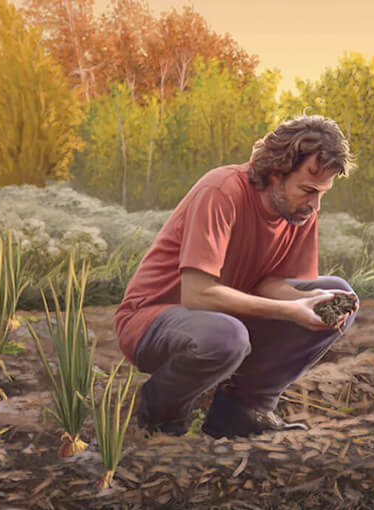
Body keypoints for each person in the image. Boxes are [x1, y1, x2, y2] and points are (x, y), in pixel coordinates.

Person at [114, 115, 360, 439]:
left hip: (223, 317)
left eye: (322, 193)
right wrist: (291, 310)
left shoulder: (298, 212)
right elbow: (197, 294)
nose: (315, 204)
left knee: (336, 294)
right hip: (152, 320)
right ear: (275, 173)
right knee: (227, 336)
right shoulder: (222, 191)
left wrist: (309, 302)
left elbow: (269, 285)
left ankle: (243, 411)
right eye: (308, 190)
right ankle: (160, 416)